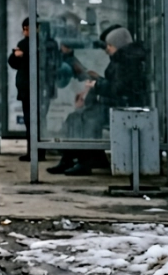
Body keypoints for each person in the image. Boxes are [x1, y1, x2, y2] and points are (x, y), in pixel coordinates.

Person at [49, 26, 146, 175]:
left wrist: (97, 84)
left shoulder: (126, 61)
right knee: (75, 117)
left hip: (122, 107)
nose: (107, 49)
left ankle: (86, 161)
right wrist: (97, 80)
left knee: (86, 118)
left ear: (119, 45)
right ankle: (69, 158)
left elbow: (118, 90)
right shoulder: (122, 59)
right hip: (116, 104)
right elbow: (116, 85)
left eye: (110, 46)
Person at [6, 18, 46, 162]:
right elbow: (13, 63)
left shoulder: (41, 43)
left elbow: (43, 61)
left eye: (28, 29)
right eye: (24, 29)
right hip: (26, 88)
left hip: (38, 87)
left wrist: (23, 54)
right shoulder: (23, 44)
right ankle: (33, 151)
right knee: (30, 122)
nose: (26, 32)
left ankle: (37, 152)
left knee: (36, 121)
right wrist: (15, 55)